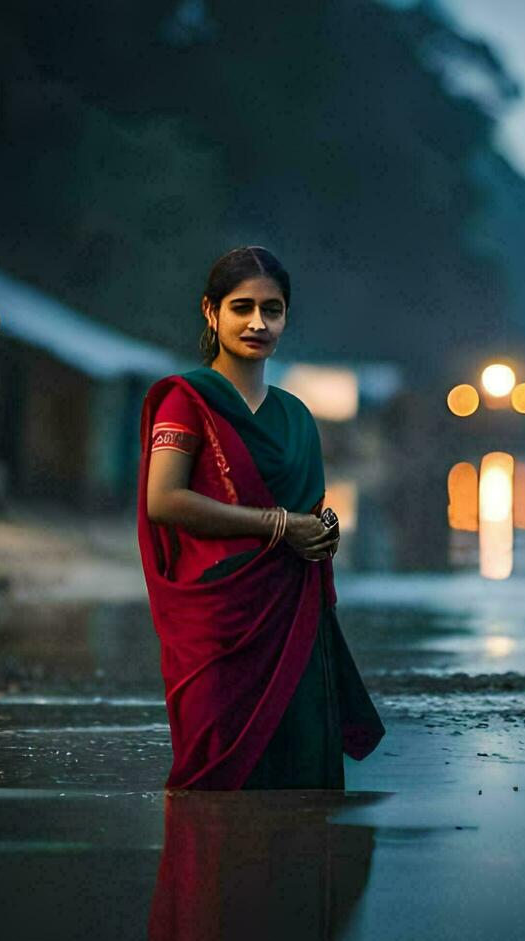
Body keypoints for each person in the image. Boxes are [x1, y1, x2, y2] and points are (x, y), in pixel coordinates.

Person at [138, 246, 383, 790]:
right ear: (211, 312)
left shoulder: (296, 414)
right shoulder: (188, 402)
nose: (257, 322)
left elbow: (308, 510)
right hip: (220, 618)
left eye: (271, 309)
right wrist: (277, 525)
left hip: (293, 615)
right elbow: (164, 500)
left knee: (298, 782)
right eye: (241, 306)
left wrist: (320, 533)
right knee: (215, 780)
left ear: (286, 317)